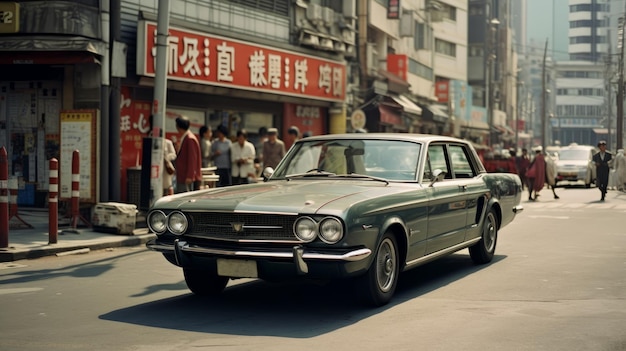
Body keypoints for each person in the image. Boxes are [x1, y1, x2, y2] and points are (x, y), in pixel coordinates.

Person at [174, 116, 203, 193]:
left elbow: (192, 159)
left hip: (186, 177)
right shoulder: (186, 137)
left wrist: (190, 176)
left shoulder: (189, 139)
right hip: (183, 175)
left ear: (178, 126)